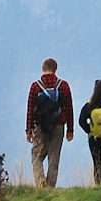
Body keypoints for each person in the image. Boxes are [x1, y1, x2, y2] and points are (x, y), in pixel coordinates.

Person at [25, 57, 73, 188]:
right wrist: (70, 129)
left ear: (43, 69)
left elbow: (30, 109)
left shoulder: (35, 86)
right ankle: (50, 187)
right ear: (56, 69)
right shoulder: (63, 85)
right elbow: (69, 108)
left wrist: (28, 130)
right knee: (54, 157)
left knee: (37, 156)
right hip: (58, 126)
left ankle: (41, 184)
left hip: (40, 126)